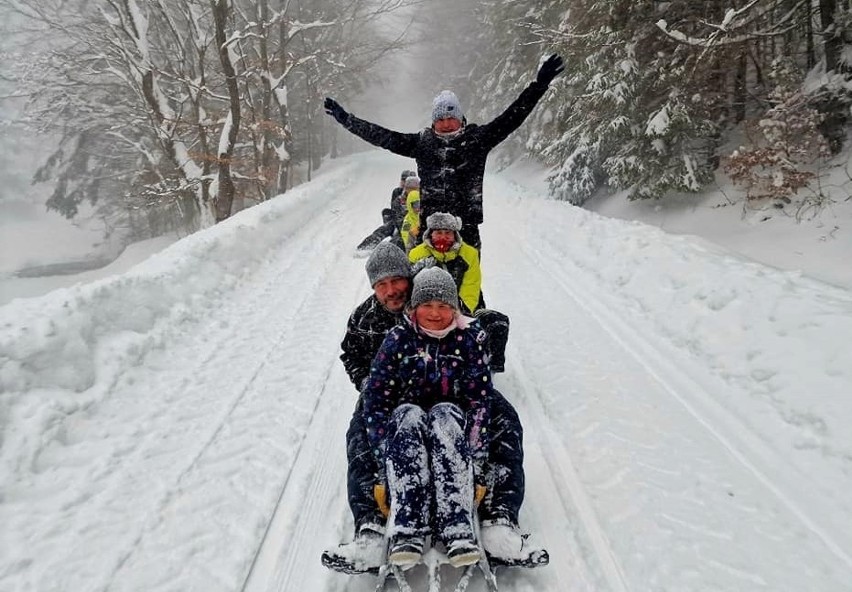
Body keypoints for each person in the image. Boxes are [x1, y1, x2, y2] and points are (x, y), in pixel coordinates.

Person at [321, 242, 546, 575]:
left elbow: (468, 328)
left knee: (504, 420)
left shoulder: (435, 295)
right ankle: (371, 527)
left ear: (411, 279)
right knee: (360, 434)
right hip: (394, 397)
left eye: (396, 280)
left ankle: (499, 518)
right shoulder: (366, 318)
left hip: (451, 392)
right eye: (381, 285)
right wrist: (367, 382)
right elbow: (350, 355)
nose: (390, 290)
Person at [324, 54, 565, 251]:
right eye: (441, 118)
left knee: (468, 292)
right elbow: (381, 136)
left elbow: (513, 117)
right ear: (433, 122)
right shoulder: (422, 142)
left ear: (461, 118)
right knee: (424, 291)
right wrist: (347, 120)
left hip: (466, 228)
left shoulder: (477, 140)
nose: (447, 123)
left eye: (452, 117)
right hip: (429, 227)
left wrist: (539, 86)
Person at [362, 266, 491, 567]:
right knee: (408, 417)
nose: (435, 313)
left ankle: (457, 523)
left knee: (445, 416)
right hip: (406, 415)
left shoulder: (469, 339)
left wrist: (479, 462)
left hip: (452, 416)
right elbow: (376, 399)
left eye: (444, 306)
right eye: (427, 306)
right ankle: (408, 524)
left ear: (454, 308)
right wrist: (382, 465)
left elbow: (479, 402)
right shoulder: (398, 339)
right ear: (413, 307)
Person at [409, 212, 509, 372]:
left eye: (448, 233)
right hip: (430, 310)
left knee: (498, 323)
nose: (443, 237)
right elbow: (413, 289)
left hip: (464, 308)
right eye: (439, 232)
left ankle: (488, 367)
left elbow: (471, 286)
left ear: (455, 234)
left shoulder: (469, 254)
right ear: (430, 233)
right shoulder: (416, 254)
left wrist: (456, 314)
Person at [355, 169, 414, 251]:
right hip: (397, 220)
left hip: (409, 223)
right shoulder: (397, 192)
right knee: (384, 228)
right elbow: (395, 209)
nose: (404, 183)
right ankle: (364, 248)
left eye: (407, 181)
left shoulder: (418, 194)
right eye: (403, 180)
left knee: (398, 239)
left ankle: (389, 250)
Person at [399, 175, 421, 252]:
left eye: (419, 204)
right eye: (414, 205)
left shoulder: (424, 215)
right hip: (412, 244)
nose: (417, 207)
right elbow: (404, 233)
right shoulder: (408, 219)